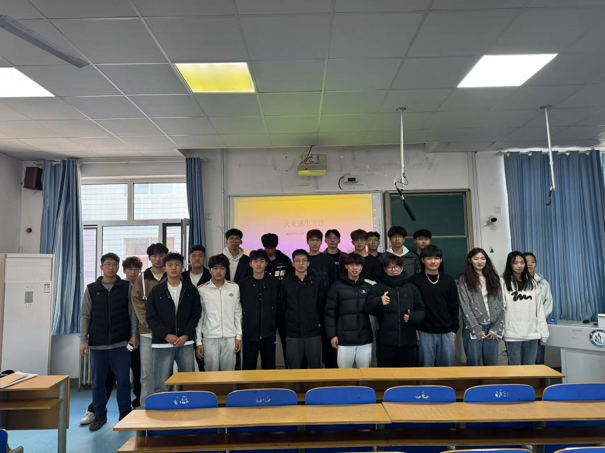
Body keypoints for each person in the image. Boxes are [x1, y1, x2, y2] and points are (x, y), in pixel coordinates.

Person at [80, 256, 143, 426]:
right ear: (101, 267)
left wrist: (134, 335)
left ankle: (125, 415)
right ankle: (100, 415)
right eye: (108, 264)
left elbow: (132, 314)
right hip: (97, 344)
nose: (111, 268)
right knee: (98, 383)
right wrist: (83, 340)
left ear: (118, 268)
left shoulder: (126, 287)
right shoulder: (91, 289)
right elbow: (85, 315)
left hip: (121, 344)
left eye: (115, 265)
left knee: (123, 381)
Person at [146, 253, 201, 393]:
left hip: (185, 342)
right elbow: (151, 318)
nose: (173, 268)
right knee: (162, 384)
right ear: (165, 268)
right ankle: (163, 407)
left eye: (177, 265)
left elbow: (196, 314)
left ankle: (187, 407)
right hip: (162, 343)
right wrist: (166, 335)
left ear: (182, 267)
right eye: (170, 265)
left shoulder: (191, 290)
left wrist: (186, 335)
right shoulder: (156, 291)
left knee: (188, 383)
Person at [364, 254, 425, 367]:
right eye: (390, 267)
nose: (393, 270)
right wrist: (379, 301)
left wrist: (412, 317)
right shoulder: (378, 288)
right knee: (387, 374)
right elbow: (368, 307)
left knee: (409, 374)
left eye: (396, 267)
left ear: (401, 269)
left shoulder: (412, 288)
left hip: (409, 341)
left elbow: (422, 310)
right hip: (386, 342)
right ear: (385, 269)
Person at [409, 246, 459, 367]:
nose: (433, 261)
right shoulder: (414, 280)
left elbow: (454, 306)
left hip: (446, 331)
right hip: (424, 331)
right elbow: (411, 306)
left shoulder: (448, 280)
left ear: (441, 260)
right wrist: (414, 328)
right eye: (429, 258)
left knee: (447, 368)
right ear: (422, 260)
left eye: (436, 258)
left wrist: (454, 329)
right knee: (426, 368)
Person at [132, 243, 167, 408]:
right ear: (150, 258)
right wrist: (151, 324)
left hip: (168, 333)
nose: (158, 259)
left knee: (166, 371)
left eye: (161, 255)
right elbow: (137, 303)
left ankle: (166, 402)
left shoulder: (173, 275)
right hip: (147, 333)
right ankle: (145, 405)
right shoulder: (142, 279)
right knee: (147, 371)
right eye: (154, 256)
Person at [325, 253, 374, 368]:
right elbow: (329, 312)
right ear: (346, 266)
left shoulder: (368, 287)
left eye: (358, 265)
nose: (354, 268)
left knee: (364, 374)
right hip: (344, 340)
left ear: (362, 267)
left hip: (365, 339)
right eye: (351, 265)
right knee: (345, 375)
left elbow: (374, 309)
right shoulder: (337, 287)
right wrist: (332, 335)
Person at [458, 248, 505, 366]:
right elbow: (465, 306)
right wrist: (476, 329)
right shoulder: (464, 280)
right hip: (473, 327)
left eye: (483, 259)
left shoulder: (494, 278)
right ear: (470, 261)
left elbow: (501, 304)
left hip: (491, 328)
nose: (480, 262)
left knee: (491, 364)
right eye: (476, 259)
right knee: (474, 363)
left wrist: (496, 328)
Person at [196, 254, 242, 371]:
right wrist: (198, 342)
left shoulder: (234, 288)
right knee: (211, 373)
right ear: (210, 270)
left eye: (222, 268)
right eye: (215, 268)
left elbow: (237, 313)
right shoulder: (202, 289)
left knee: (229, 373)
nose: (218, 271)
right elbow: (199, 317)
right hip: (210, 337)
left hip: (230, 337)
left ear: (226, 270)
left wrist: (238, 336)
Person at [501, 252, 548, 366]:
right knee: (514, 367)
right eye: (515, 263)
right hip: (512, 334)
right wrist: (501, 331)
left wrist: (543, 332)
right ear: (510, 264)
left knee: (530, 367)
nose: (519, 265)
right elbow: (501, 308)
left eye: (522, 262)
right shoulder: (503, 282)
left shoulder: (533, 283)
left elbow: (539, 309)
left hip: (532, 333)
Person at [281, 249, 324, 369]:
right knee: (294, 367)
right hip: (293, 332)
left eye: (304, 261)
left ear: (308, 264)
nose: (301, 263)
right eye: (297, 261)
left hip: (313, 330)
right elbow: (282, 306)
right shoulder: (286, 283)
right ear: (293, 264)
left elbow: (321, 305)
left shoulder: (316, 281)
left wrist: (318, 322)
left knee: (315, 367)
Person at [239, 250, 279, 370]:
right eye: (255, 261)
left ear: (266, 263)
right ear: (250, 264)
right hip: (249, 332)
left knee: (269, 368)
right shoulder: (243, 284)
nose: (258, 264)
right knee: (248, 367)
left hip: (269, 332)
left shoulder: (274, 282)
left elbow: (279, 305)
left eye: (262, 261)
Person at [307, 229, 337, 368]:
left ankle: (330, 369)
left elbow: (334, 282)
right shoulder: (303, 260)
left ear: (321, 242)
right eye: (312, 240)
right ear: (307, 241)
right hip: (309, 307)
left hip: (326, 306)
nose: (315, 243)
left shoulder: (328, 260)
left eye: (317, 240)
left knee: (327, 339)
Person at [261, 233, 292, 363]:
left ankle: (289, 368)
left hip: (283, 307)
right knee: (266, 342)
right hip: (265, 306)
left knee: (287, 340)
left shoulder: (285, 260)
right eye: (267, 248)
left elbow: (291, 281)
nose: (270, 251)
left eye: (272, 248)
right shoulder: (260, 261)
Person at [524, 252, 554, 365]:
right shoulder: (515, 282)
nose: (530, 264)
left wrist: (539, 318)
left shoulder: (544, 283)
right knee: (522, 359)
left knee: (538, 357)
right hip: (522, 325)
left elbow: (548, 303)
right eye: (526, 261)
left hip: (538, 324)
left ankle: (539, 377)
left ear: (536, 264)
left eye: (533, 262)